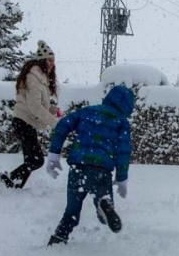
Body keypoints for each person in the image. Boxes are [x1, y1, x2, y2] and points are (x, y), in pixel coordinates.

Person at [45, 84, 134, 245]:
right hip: (101, 170)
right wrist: (122, 178)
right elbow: (123, 152)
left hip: (78, 167)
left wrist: (54, 153)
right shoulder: (121, 122)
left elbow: (63, 125)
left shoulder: (87, 111)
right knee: (103, 201)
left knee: (71, 209)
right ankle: (104, 204)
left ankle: (59, 238)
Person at [0, 41, 60, 190]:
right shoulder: (33, 77)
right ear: (42, 60)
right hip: (23, 121)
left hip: (26, 122)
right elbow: (34, 106)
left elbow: (36, 105)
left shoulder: (40, 77)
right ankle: (6, 181)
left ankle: (13, 186)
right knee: (36, 160)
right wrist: (55, 122)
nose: (52, 63)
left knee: (31, 160)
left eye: (53, 60)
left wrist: (50, 110)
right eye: (49, 60)